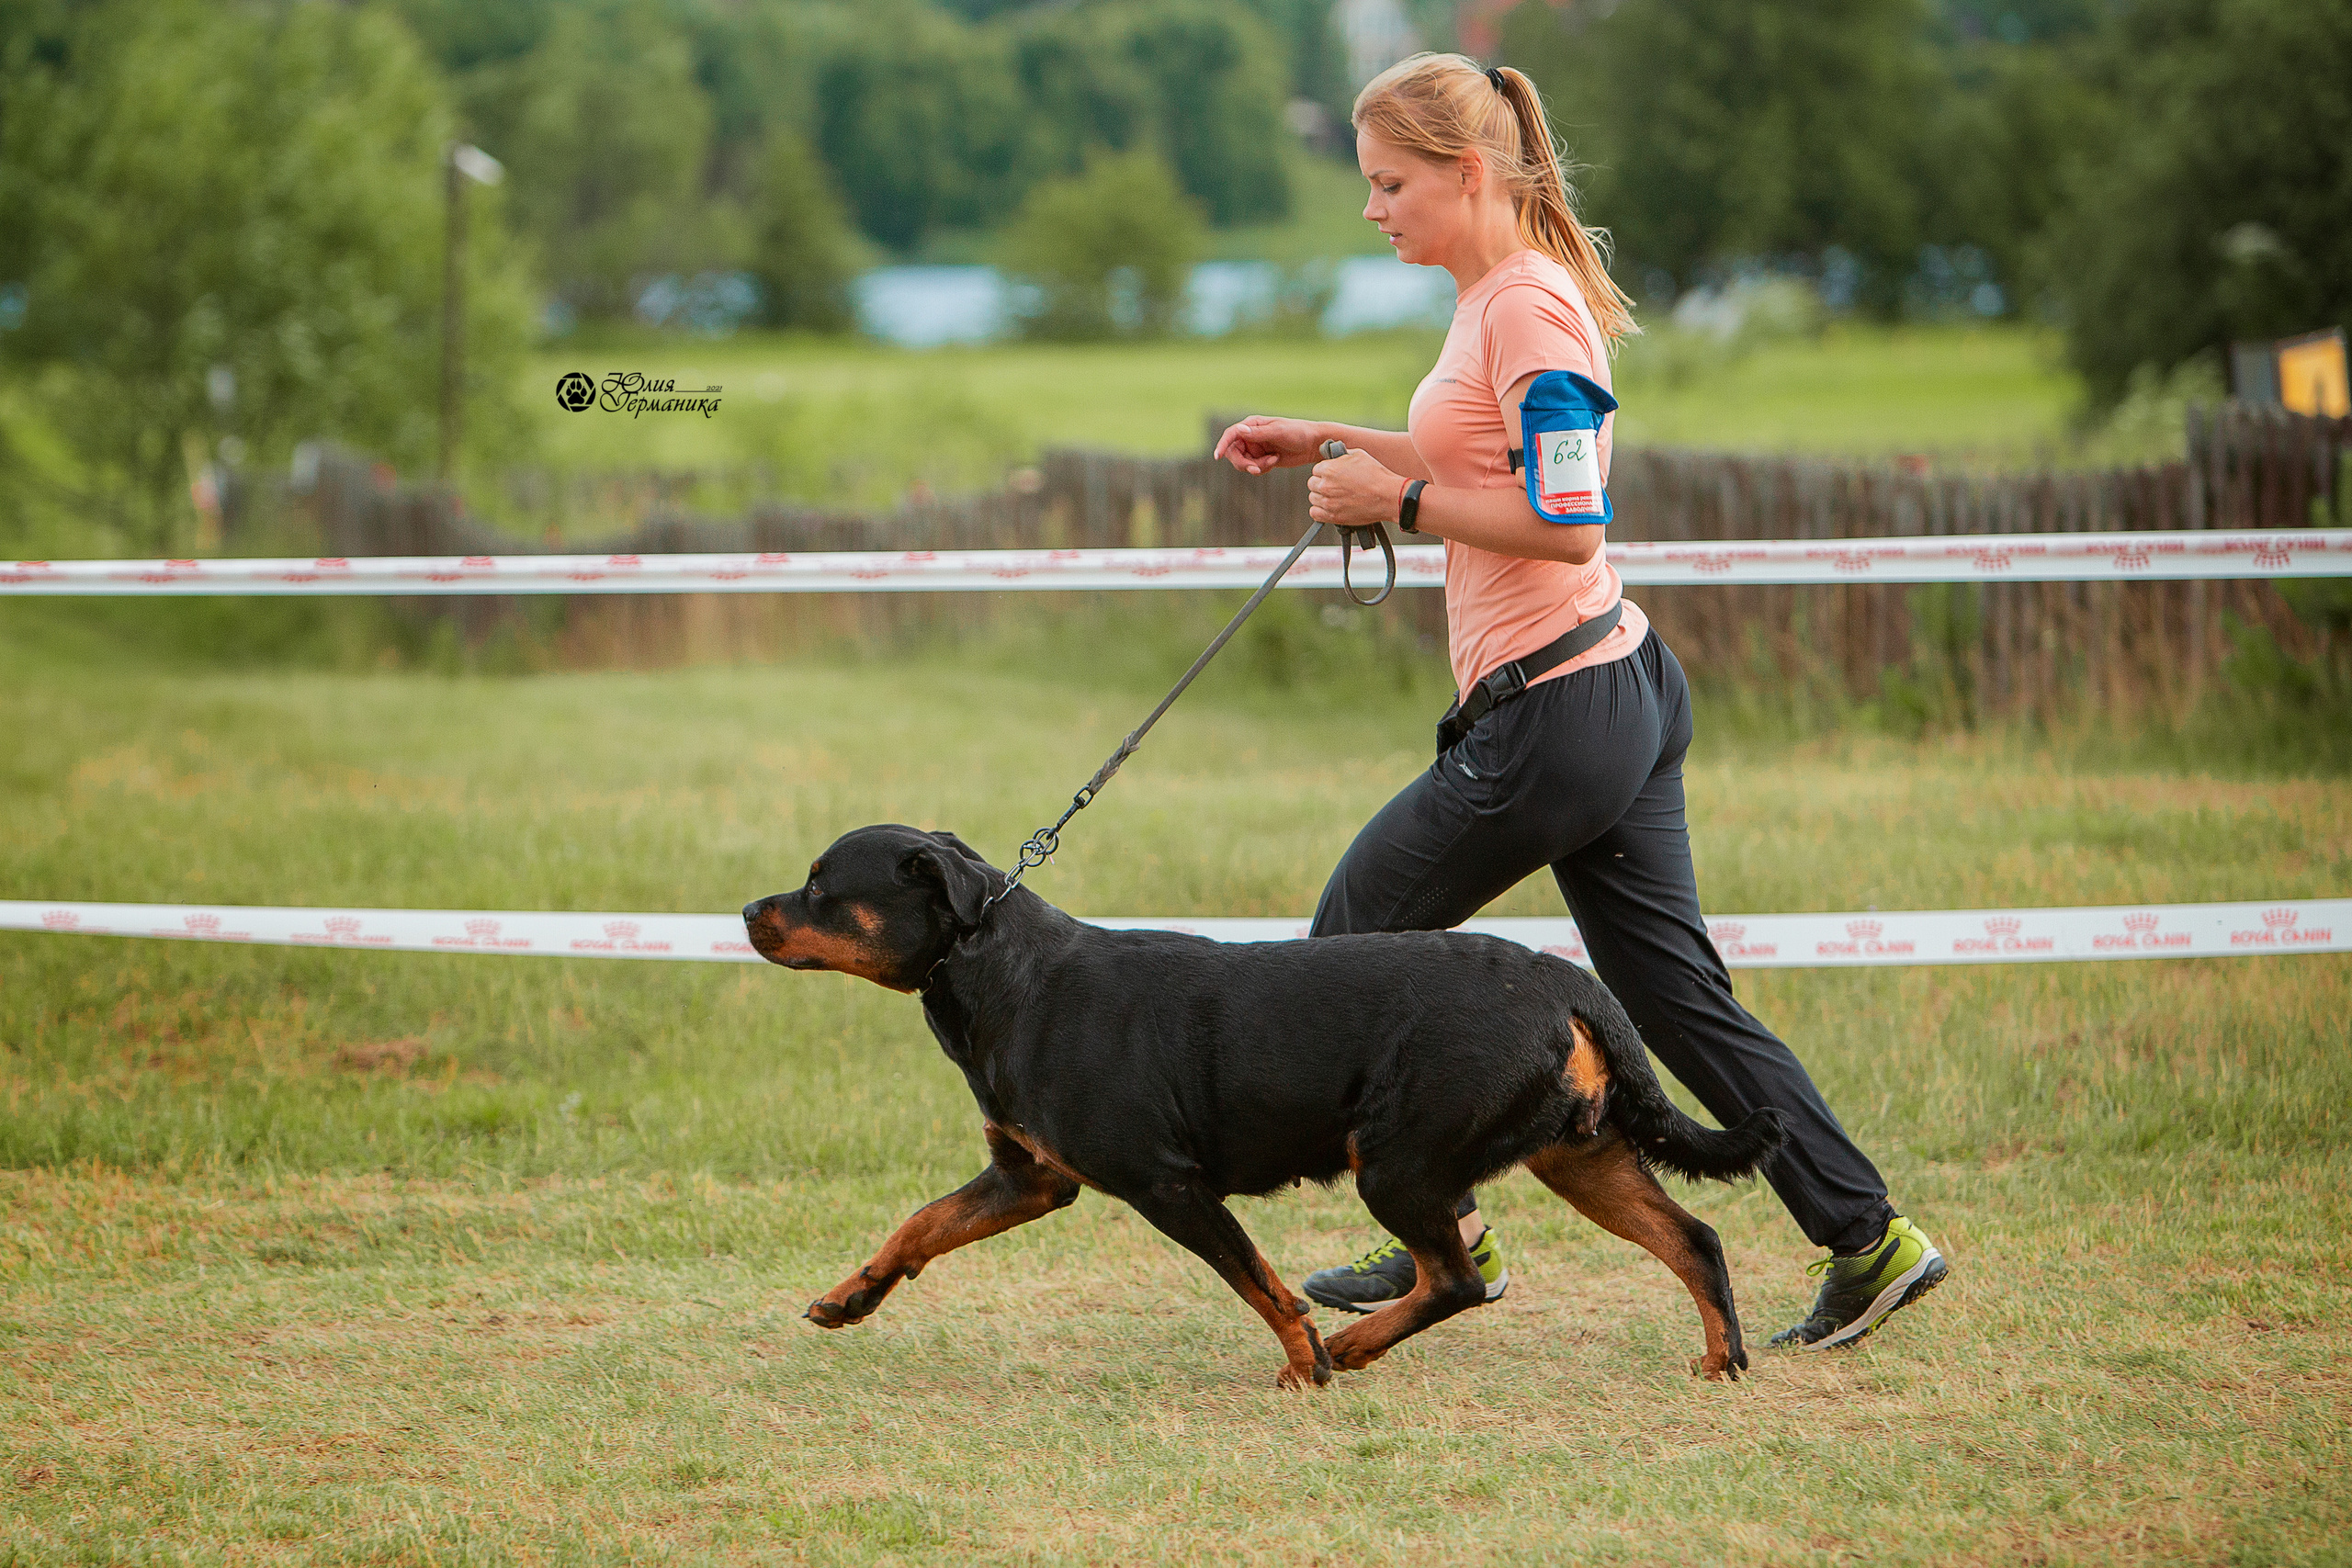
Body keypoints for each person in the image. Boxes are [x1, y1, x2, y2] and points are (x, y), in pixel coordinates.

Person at [1210, 53, 1946, 1351]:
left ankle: (1443, 1239)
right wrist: (1328, 442)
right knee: (1677, 1001)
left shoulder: (1530, 311)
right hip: (1606, 689)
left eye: (1389, 184)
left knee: (1348, 942)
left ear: (1465, 173)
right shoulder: (1494, 298)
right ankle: (1869, 1238)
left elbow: (1568, 520)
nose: (1371, 208)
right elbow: (1470, 458)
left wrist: (1400, 504)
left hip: (1558, 712)